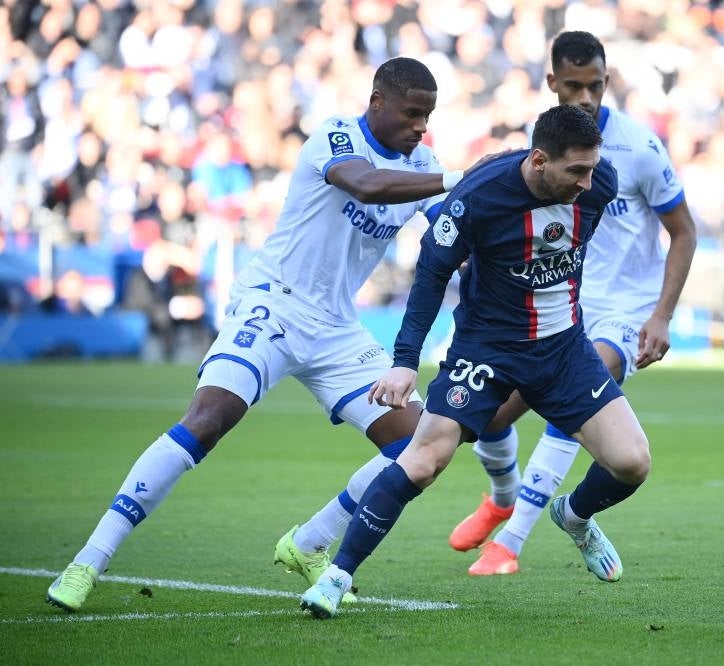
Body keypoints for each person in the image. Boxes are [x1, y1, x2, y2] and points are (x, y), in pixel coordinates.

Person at [45, 57, 471, 612]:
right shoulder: (337, 137)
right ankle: (88, 560)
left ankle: (310, 541)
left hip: (337, 327)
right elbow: (365, 186)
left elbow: (454, 226)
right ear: (377, 103)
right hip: (273, 304)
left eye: (428, 116)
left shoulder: (423, 162)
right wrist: (458, 176)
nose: (421, 126)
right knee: (208, 420)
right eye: (413, 114)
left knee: (423, 445)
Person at [298, 103, 651, 620]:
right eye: (575, 170)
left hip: (562, 350)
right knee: (421, 460)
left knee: (632, 463)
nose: (587, 181)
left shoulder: (598, 184)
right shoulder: (481, 197)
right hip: (488, 352)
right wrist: (404, 361)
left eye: (592, 168)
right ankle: (337, 575)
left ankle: (573, 517)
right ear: (537, 161)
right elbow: (430, 275)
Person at [450, 31, 697, 576]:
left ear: (608, 82)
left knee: (591, 382)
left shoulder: (639, 147)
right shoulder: (542, 150)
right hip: (553, 303)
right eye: (575, 87)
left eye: (596, 86)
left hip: (621, 311)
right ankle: (502, 497)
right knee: (483, 419)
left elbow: (683, 231)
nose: (587, 98)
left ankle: (526, 535)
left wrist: (661, 314)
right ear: (553, 84)